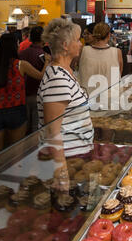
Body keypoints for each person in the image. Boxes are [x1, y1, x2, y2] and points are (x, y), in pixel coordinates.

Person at [0, 33, 49, 159]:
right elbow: (41, 76)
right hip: (15, 110)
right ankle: (12, 177)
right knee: (16, 151)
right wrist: (47, 61)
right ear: (14, 46)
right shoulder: (20, 64)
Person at [38, 18, 94, 158]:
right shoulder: (57, 80)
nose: (80, 44)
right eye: (76, 40)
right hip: (68, 156)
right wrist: (61, 173)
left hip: (76, 152)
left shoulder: (66, 71)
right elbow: (52, 132)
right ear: (65, 45)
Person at [78, 22, 123, 99]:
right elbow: (119, 73)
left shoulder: (83, 50)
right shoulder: (117, 52)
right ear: (109, 35)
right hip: (110, 98)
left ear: (94, 35)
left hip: (86, 98)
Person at [19, 26, 45, 133]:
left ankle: (23, 149)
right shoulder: (44, 55)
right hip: (38, 94)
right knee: (36, 128)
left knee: (23, 128)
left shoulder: (22, 53)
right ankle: (34, 149)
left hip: (22, 95)